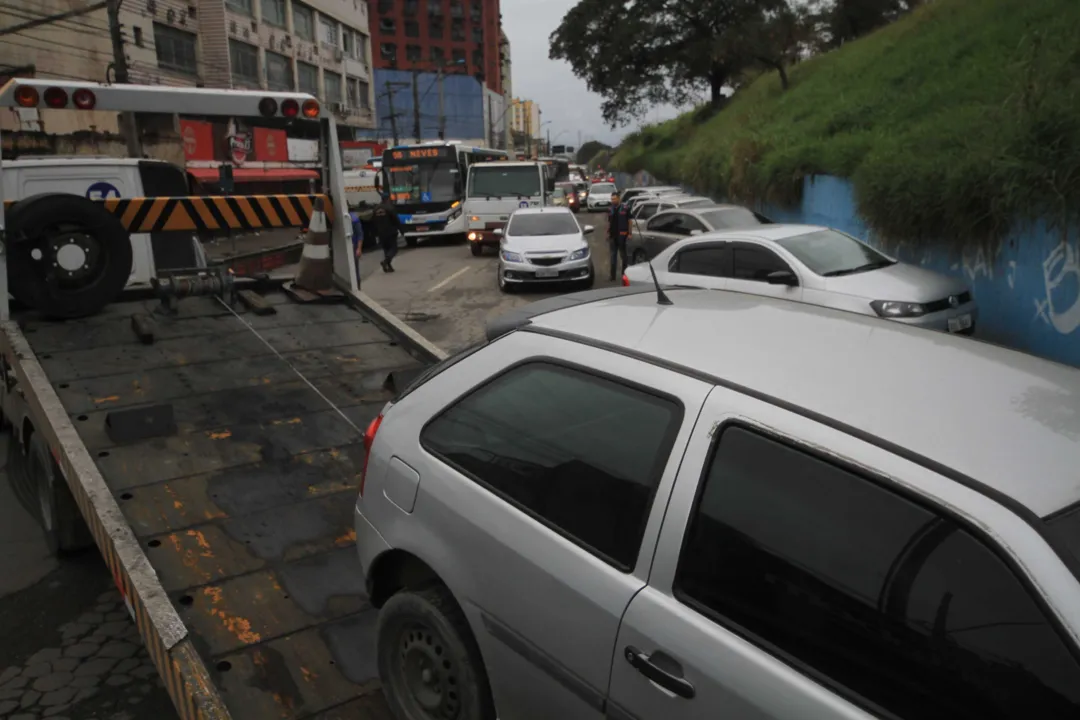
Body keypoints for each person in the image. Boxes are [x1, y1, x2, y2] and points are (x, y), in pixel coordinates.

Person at [371, 191, 403, 273]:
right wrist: (402, 230)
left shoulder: (376, 209)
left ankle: (388, 266)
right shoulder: (390, 208)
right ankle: (386, 261)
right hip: (391, 232)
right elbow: (396, 220)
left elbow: (373, 222)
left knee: (386, 249)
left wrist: (375, 234)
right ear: (388, 198)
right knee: (394, 249)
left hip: (381, 233)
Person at [607, 191, 631, 281]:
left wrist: (630, 233)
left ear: (619, 198)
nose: (613, 201)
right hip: (613, 236)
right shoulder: (610, 209)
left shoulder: (625, 208)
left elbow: (630, 221)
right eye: (612, 199)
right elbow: (609, 222)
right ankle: (612, 276)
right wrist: (608, 232)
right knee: (613, 256)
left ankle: (624, 275)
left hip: (622, 236)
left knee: (623, 256)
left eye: (614, 199)